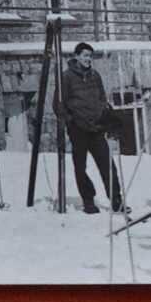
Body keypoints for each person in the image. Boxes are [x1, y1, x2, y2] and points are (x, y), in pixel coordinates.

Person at [57, 42, 125, 214]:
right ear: (77, 56)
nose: (88, 59)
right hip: (78, 129)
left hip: (96, 128)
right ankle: (88, 201)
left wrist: (104, 113)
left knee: (108, 165)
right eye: (85, 55)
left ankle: (116, 200)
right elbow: (58, 104)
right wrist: (71, 121)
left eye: (90, 56)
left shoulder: (95, 75)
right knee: (80, 167)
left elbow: (102, 97)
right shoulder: (66, 77)